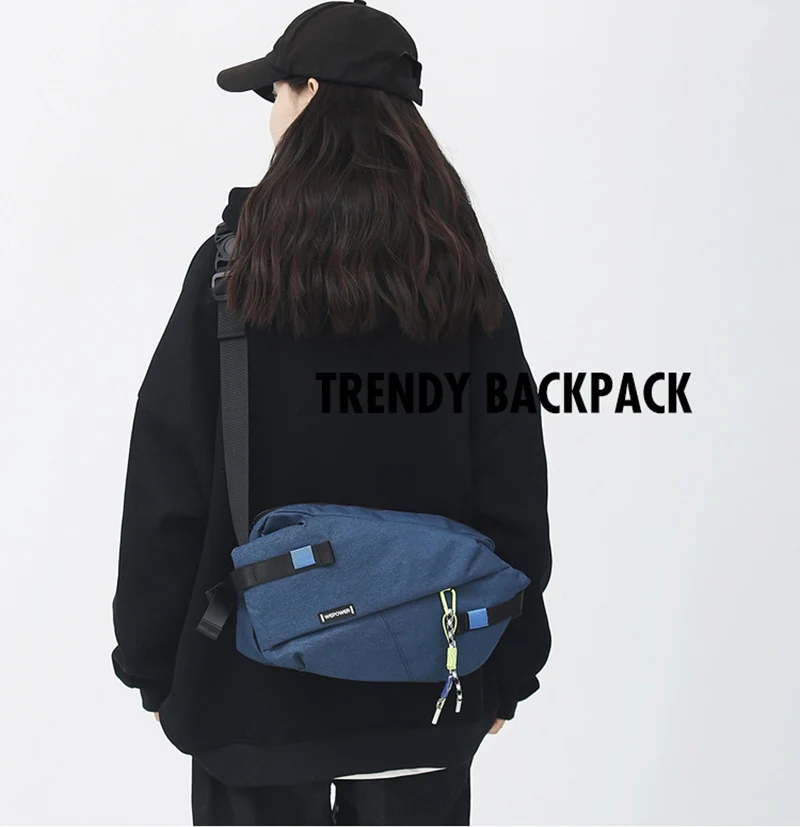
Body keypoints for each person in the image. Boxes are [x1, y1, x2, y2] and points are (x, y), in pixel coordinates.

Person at [110, 1, 553, 824]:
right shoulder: (458, 275)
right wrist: (510, 661)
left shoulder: (232, 273)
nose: (272, 117)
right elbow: (512, 476)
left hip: (248, 695)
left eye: (276, 94)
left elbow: (169, 480)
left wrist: (154, 665)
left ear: (309, 91)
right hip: (427, 688)